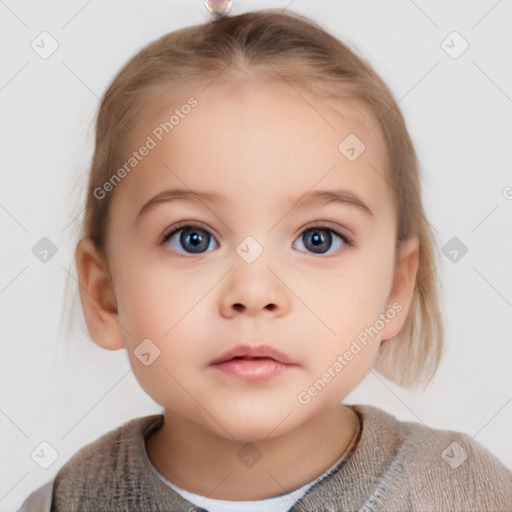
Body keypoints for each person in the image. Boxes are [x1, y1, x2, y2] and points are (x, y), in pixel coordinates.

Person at [18, 8, 511, 512]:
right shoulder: (70, 502)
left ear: (395, 289)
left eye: (319, 239)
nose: (254, 294)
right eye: (192, 238)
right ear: (104, 294)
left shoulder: (461, 493)